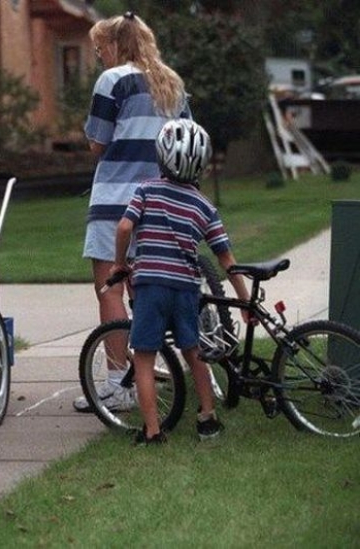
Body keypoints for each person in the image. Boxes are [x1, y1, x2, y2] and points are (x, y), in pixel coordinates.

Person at [74, 11, 192, 413]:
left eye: (99, 48)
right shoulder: (172, 82)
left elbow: (98, 142)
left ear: (115, 45)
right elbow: (186, 138)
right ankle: (148, 372)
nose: (99, 56)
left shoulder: (113, 80)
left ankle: (117, 384)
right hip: (162, 202)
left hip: (116, 199)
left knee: (110, 288)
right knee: (146, 290)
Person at [110, 119, 250, 444]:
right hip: (186, 288)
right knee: (193, 352)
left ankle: (153, 431)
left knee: (144, 357)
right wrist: (244, 301)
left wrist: (120, 263)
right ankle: (207, 419)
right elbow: (226, 259)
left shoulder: (146, 190)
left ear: (161, 157)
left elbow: (124, 227)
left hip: (151, 287)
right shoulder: (205, 207)